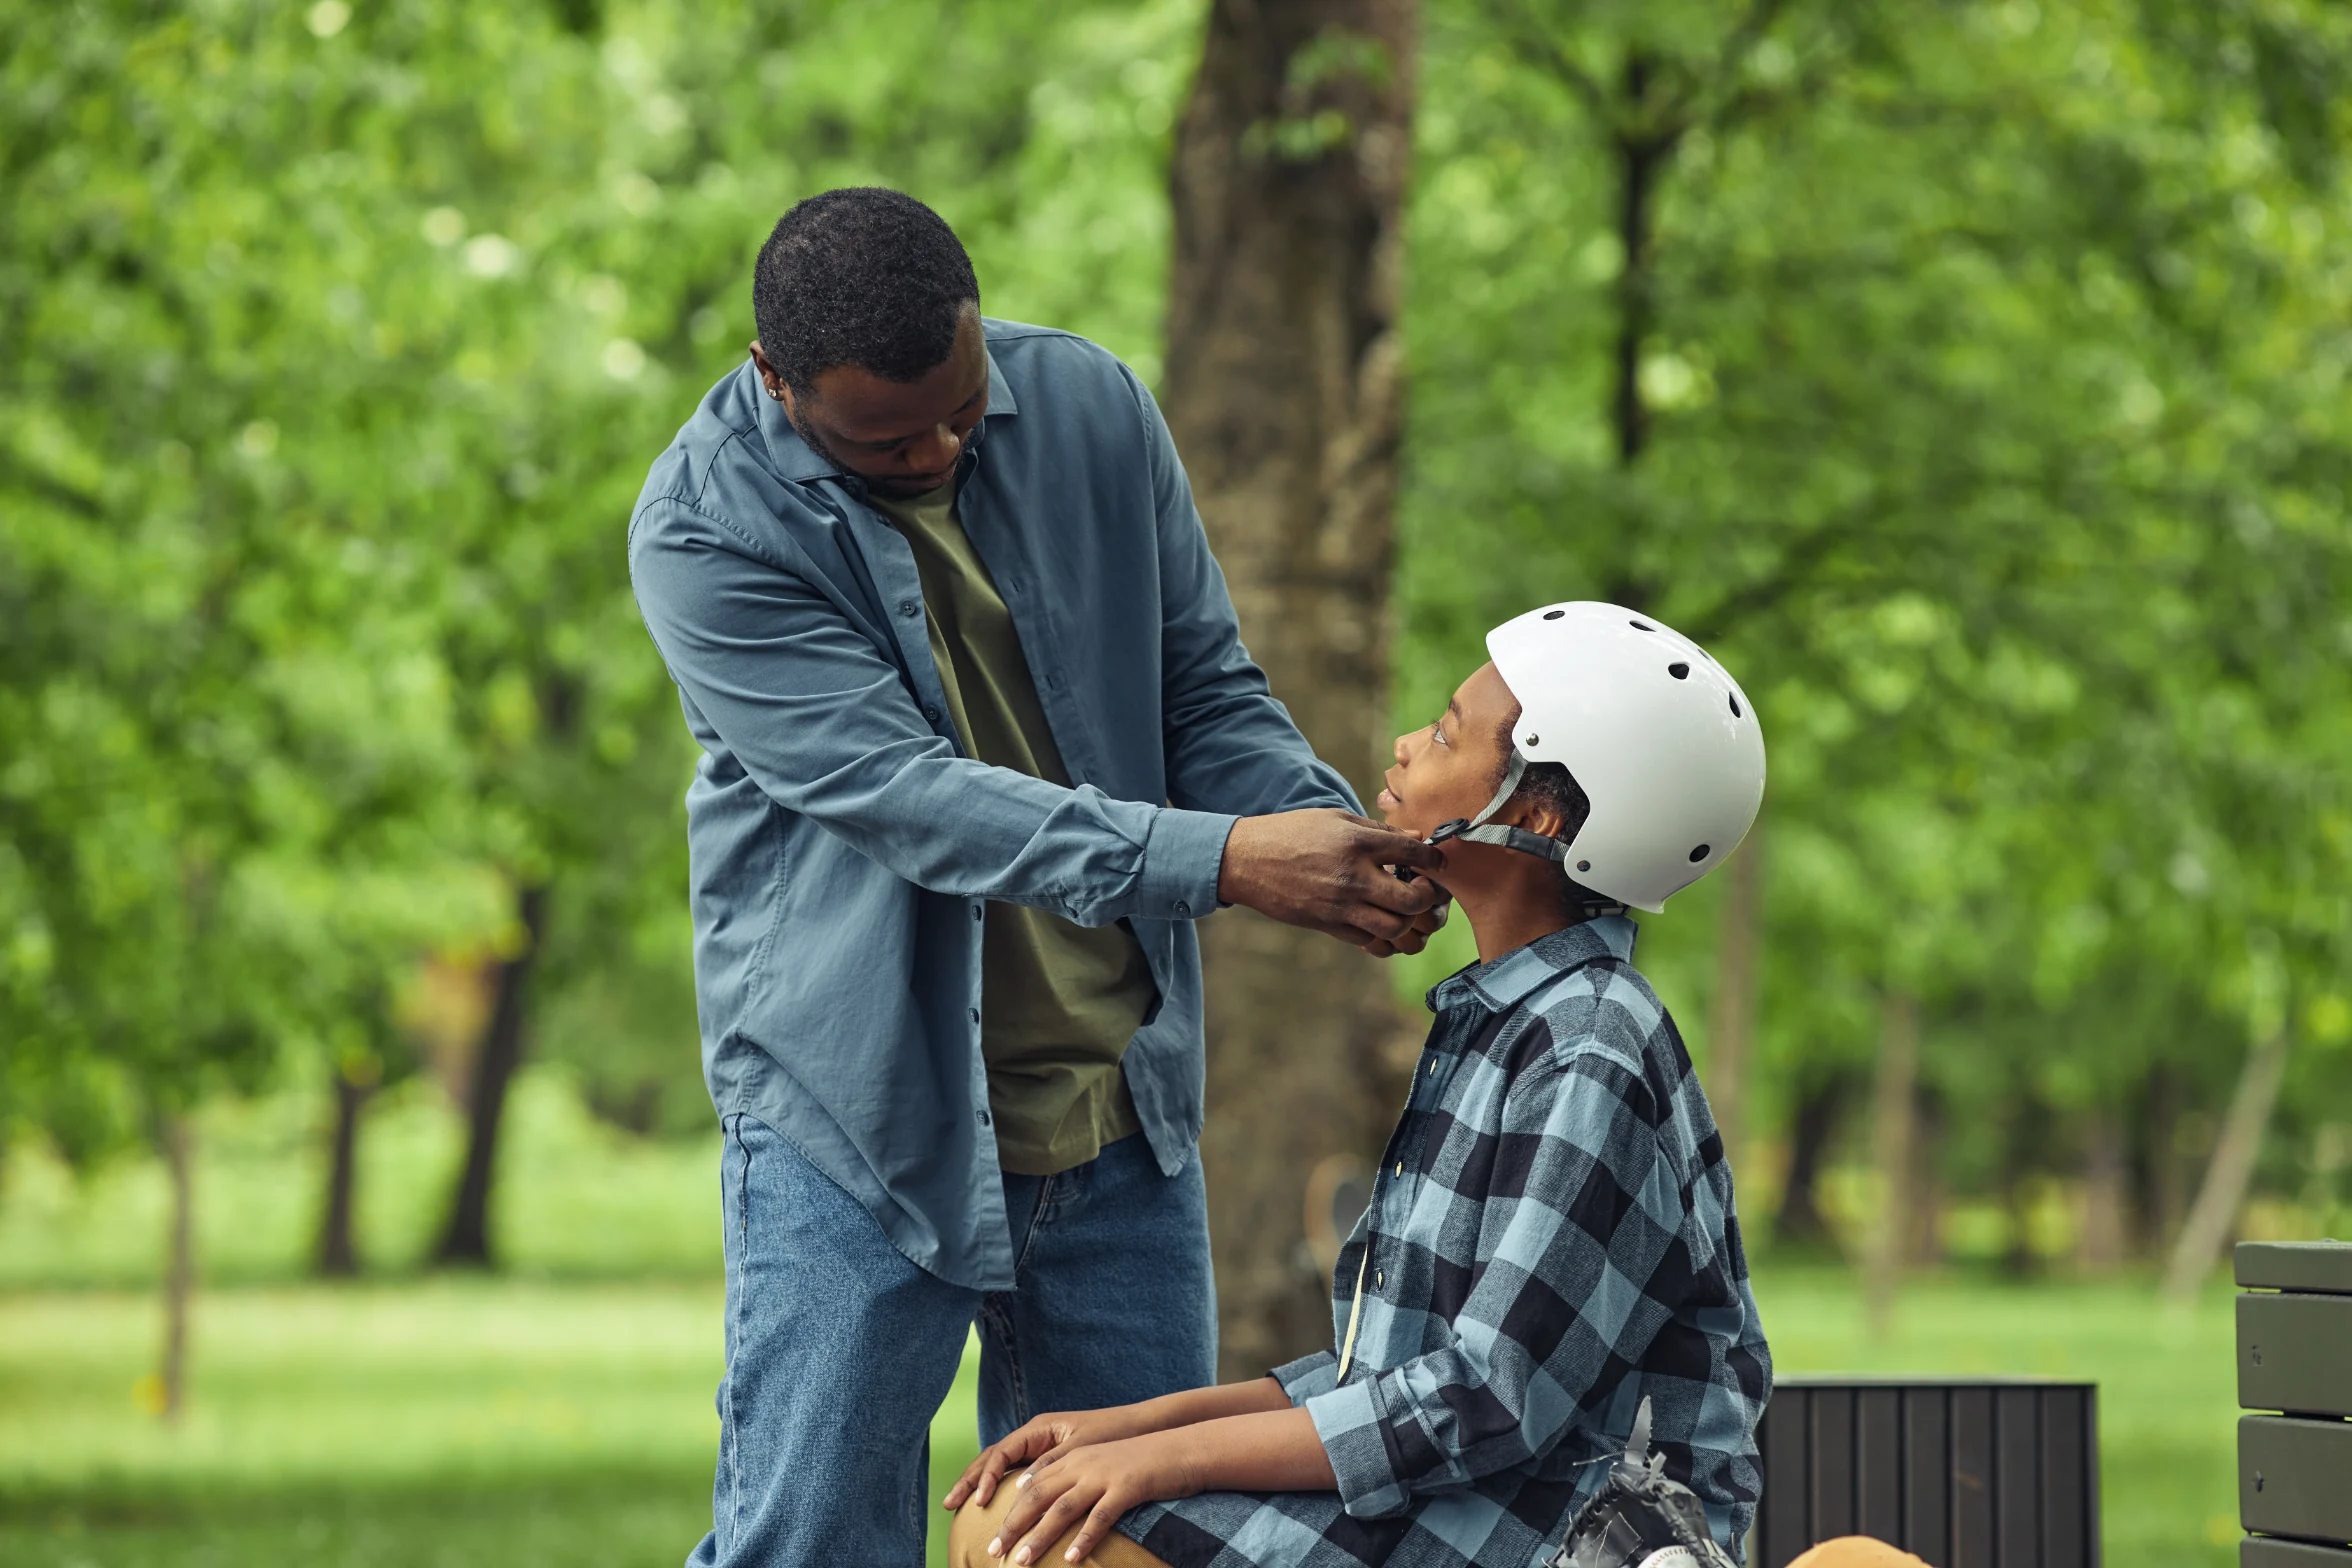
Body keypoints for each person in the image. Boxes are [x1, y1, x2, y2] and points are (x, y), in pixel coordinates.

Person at [627, 187, 1451, 1568]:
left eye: (962, 406)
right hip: (862, 1120)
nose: (945, 449)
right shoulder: (703, 531)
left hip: (1117, 1107)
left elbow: (1205, 691)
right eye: (890, 439)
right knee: (813, 1539)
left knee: (1134, 1541)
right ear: (778, 383)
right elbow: (914, 800)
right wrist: (1236, 864)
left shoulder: (1087, 407)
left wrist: (1315, 831)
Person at [944, 602, 1775, 1568]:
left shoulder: (1589, 1045)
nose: (1405, 743)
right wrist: (1128, 1429)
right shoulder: (1499, 1020)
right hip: (1464, 1492)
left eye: (1446, 732)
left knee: (1035, 1542)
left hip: (1564, 1522)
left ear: (1535, 816)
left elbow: (1480, 1400)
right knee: (1019, 1507)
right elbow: (1375, 1374)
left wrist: (1163, 1465)